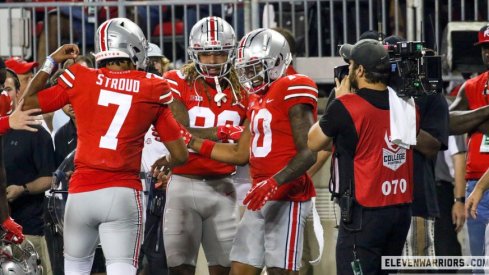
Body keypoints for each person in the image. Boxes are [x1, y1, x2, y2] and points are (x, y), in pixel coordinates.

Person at [21, 17, 188, 275]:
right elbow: (180, 153)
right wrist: (166, 162)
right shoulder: (152, 87)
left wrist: (51, 61)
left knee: (75, 270)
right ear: (134, 49)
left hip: (80, 195)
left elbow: (27, 103)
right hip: (123, 193)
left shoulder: (79, 76)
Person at [159, 28, 319, 274]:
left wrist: (275, 181)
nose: (249, 74)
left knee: (280, 270)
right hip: (259, 192)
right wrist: (190, 141)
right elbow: (239, 155)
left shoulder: (294, 85)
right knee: (239, 270)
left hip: (288, 195)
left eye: (256, 66)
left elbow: (309, 152)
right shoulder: (256, 97)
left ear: (277, 61)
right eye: (246, 67)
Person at [307, 39, 417, 274]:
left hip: (364, 214)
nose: (347, 71)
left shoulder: (347, 106)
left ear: (359, 71)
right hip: (400, 209)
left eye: (351, 65)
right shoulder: (407, 103)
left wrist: (339, 98)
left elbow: (314, 141)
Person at [158, 16, 247, 275]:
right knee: (180, 270)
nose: (212, 61)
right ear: (193, 52)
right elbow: (179, 131)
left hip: (225, 186)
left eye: (219, 54)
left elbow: (248, 141)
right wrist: (225, 132)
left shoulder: (243, 87)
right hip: (183, 184)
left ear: (230, 52)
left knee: (225, 270)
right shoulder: (176, 79)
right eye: (205, 54)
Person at [3, 68, 55, 275]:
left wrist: (22, 189)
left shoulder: (35, 131)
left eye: (7, 89)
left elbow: (49, 178)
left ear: (17, 92)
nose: (3, 94)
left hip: (27, 230)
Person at [449, 23, 489, 258]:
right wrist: (484, 113)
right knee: (480, 265)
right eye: (484, 47)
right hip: (478, 191)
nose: (487, 53)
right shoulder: (472, 87)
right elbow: (448, 122)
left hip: (480, 188)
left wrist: (472, 120)